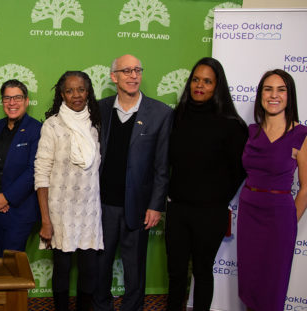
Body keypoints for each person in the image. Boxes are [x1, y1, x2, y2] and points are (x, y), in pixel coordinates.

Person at [166, 57, 248, 311]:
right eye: (196, 79)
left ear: (217, 86)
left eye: (207, 81)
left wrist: (216, 197)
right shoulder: (177, 117)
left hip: (210, 214)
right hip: (178, 210)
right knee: (176, 273)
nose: (200, 85)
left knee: (202, 272)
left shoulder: (232, 125)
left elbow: (240, 170)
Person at [92, 54, 173, 311]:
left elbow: (162, 167)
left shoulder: (160, 113)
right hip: (101, 205)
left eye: (137, 70)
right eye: (126, 71)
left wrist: (156, 205)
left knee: (135, 270)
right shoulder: (99, 109)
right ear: (113, 76)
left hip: (138, 207)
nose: (133, 75)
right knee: (99, 267)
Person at [238, 69, 307, 311]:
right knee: (250, 282)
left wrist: (290, 221)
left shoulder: (301, 134)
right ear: (260, 95)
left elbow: (306, 188)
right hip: (248, 214)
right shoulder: (250, 131)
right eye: (268, 89)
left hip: (279, 218)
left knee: (272, 285)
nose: (274, 95)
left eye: (281, 89)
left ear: (290, 95)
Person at [35, 71, 103, 311]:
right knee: (62, 269)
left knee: (89, 270)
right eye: (70, 90)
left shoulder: (97, 123)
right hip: (59, 211)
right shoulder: (52, 125)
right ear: (62, 94)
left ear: (88, 91)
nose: (76, 95)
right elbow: (41, 174)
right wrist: (45, 220)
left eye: (81, 89)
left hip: (89, 211)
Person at [0, 79, 41, 258]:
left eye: (17, 98)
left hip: (20, 209)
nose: (12, 103)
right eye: (7, 98)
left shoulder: (37, 129)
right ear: (2, 102)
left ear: (27, 101)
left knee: (13, 263)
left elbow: (33, 170)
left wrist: (6, 198)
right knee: (1, 261)